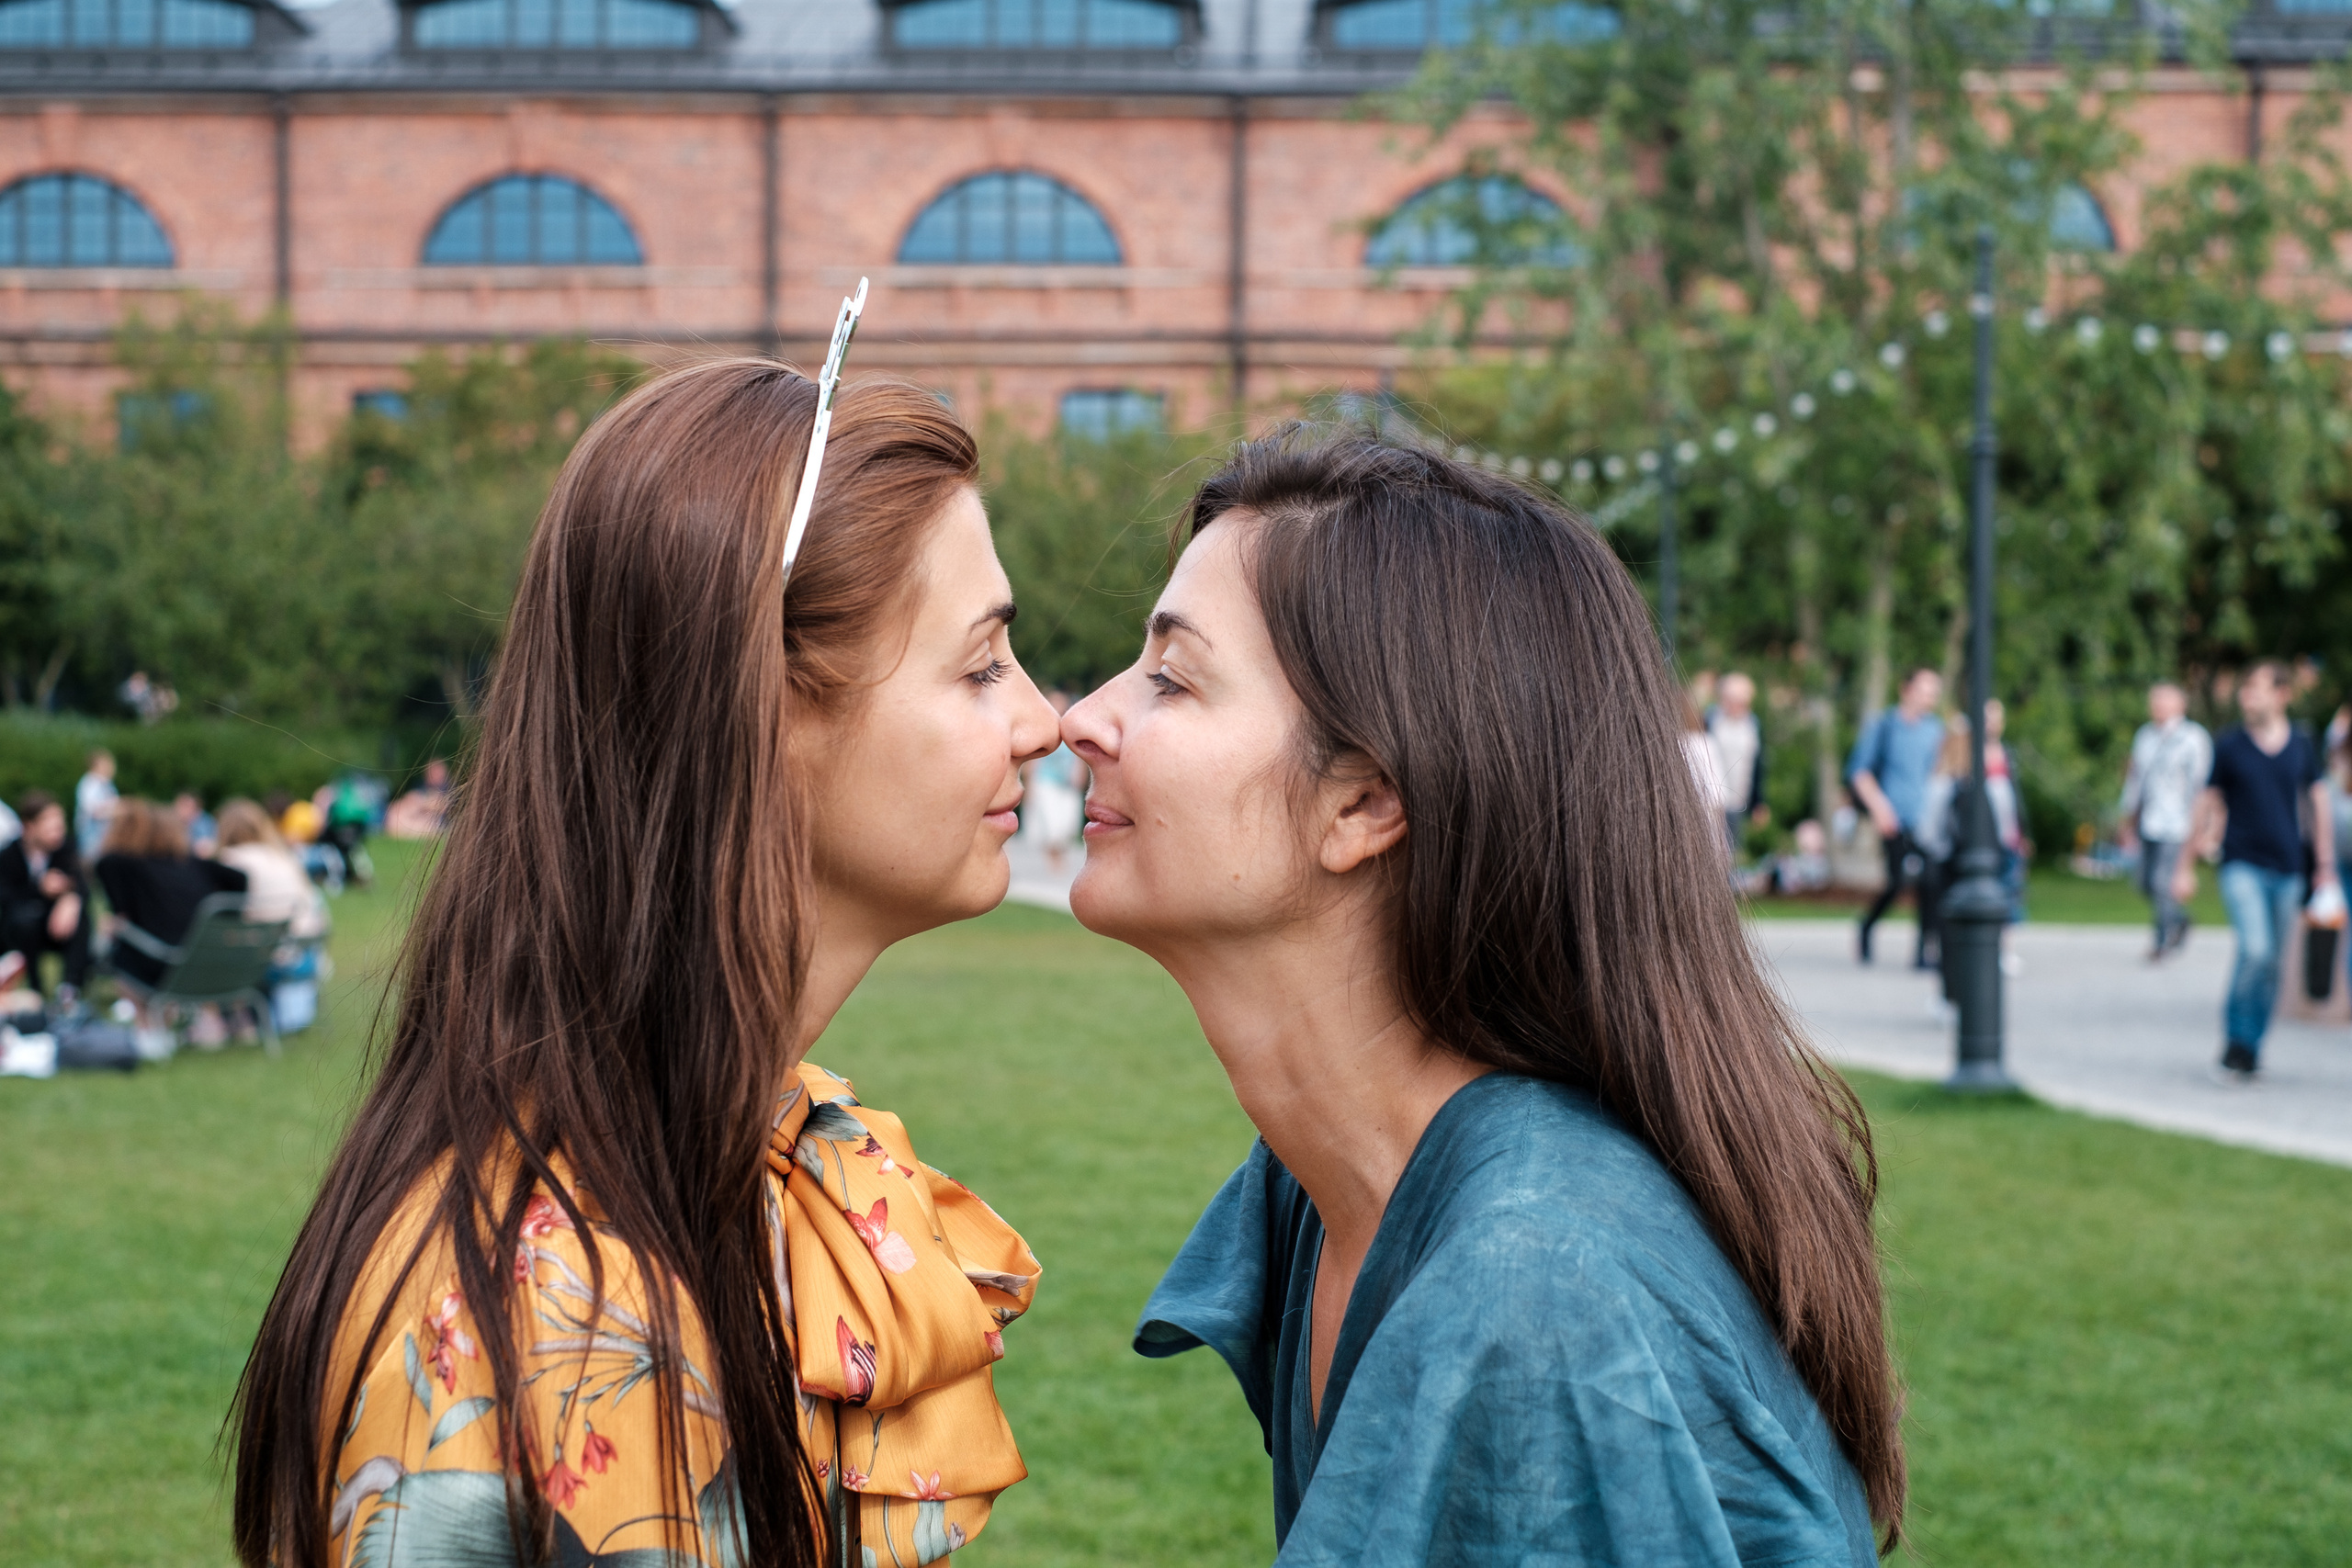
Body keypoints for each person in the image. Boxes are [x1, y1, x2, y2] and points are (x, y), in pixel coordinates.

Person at [233, 361, 1061, 1568]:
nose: (1042, 718)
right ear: (767, 714)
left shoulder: (688, 1165)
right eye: (982, 663)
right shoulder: (557, 1313)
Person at [1064, 434, 1901, 1563]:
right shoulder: (1325, 1190)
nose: (1080, 719)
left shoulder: (1534, 1300)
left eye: (1172, 677)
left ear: (1362, 803)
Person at [2173, 660, 2336, 1082]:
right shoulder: (2229, 746)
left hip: (2289, 869)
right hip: (2241, 864)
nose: (2248, 696)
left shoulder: (2301, 744)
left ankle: (2252, 1047)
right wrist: (2185, 864)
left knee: (2274, 964)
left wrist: (2324, 864)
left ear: (2282, 694)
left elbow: (2316, 803)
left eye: (2258, 688)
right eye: (2245, 688)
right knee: (2256, 950)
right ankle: (2236, 1042)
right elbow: (2206, 803)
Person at [94, 797, 249, 1055]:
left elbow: (113, 887)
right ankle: (203, 1025)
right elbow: (240, 878)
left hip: (164, 961)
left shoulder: (124, 864)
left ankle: (149, 1028)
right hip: (207, 960)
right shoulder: (194, 864)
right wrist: (230, 920)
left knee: (123, 945)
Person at [1848, 668, 1946, 968]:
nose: (1931, 697)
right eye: (1925, 690)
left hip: (1925, 820)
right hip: (1893, 818)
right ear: (1907, 689)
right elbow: (1860, 772)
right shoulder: (1885, 726)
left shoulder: (1936, 731)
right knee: (1897, 881)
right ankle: (1867, 926)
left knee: (1930, 882)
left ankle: (1923, 952)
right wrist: (1880, 809)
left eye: (1934, 692)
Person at [2119, 682, 2212, 962]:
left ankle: (2161, 941)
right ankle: (2179, 919)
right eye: (2154, 700)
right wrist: (2127, 819)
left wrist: (2202, 827)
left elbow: (2202, 786)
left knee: (2162, 883)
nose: (2156, 705)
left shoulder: (2193, 738)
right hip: (2149, 820)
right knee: (2145, 882)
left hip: (2178, 823)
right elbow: (2136, 781)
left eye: (2163, 700)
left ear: (2180, 704)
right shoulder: (2145, 736)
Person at [0, 790, 91, 1001]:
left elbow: (83, 883)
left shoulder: (66, 849)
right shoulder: (9, 855)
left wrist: (71, 897)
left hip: (57, 928)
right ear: (29, 827)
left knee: (81, 919)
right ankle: (35, 991)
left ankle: (70, 991)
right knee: (24, 921)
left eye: (60, 826)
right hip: (20, 932)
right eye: (51, 827)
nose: (57, 833)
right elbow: (6, 897)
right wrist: (39, 888)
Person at [1706, 670, 1770, 858]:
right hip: (1713, 798)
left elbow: (1758, 764)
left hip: (1738, 799)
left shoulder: (1753, 725)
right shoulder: (1711, 720)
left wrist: (1759, 802)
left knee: (1730, 852)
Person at [1021, 693, 1087, 874]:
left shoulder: (1071, 729)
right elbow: (1033, 761)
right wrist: (1030, 787)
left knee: (1068, 825)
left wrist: (1079, 776)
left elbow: (1078, 757)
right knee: (1052, 825)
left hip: (1067, 785)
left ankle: (1057, 855)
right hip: (1046, 782)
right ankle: (1054, 861)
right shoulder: (1042, 730)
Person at [74, 749, 117, 863]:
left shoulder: (106, 784)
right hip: (91, 830)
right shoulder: (89, 783)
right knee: (90, 857)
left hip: (104, 829)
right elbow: (90, 808)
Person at [174, 791, 220, 859]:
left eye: (186, 806)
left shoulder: (204, 823)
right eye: (180, 805)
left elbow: (204, 849)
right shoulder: (174, 821)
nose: (181, 810)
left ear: (197, 808)